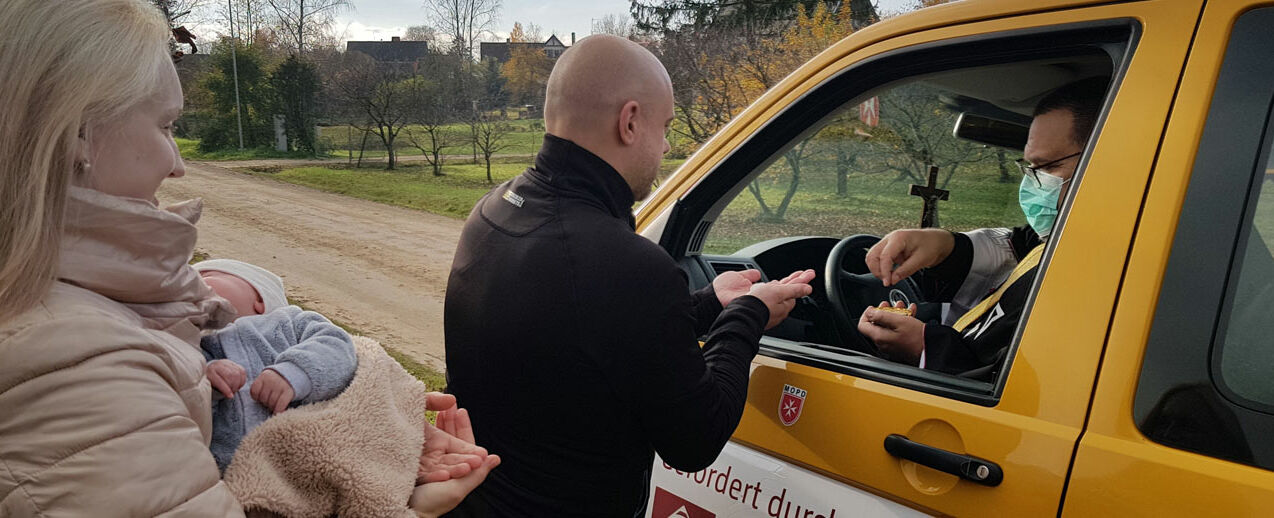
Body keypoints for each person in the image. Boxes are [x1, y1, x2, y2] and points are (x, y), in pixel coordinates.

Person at [0, 1, 492, 515]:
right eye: (167, 125)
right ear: (79, 130)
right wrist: (409, 510)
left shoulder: (75, 310)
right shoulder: (74, 364)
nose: (178, 166)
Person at [443, 34, 816, 517]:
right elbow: (695, 440)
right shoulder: (624, 262)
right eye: (664, 128)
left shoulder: (494, 210)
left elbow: (582, 334)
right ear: (630, 121)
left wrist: (707, 303)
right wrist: (748, 314)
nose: (664, 147)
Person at [856, 77, 1108, 378]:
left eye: (1048, 167)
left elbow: (1025, 385)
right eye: (1029, 167)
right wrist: (943, 247)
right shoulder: (1065, 237)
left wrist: (926, 350)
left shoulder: (1107, 282)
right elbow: (1018, 248)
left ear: (1109, 162)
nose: (1032, 183)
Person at [192, 259, 359, 471]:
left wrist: (295, 372)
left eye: (204, 279)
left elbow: (337, 346)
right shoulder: (198, 347)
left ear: (260, 298)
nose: (192, 289)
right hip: (231, 471)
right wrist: (207, 381)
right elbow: (186, 401)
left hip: (308, 457)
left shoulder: (291, 322)